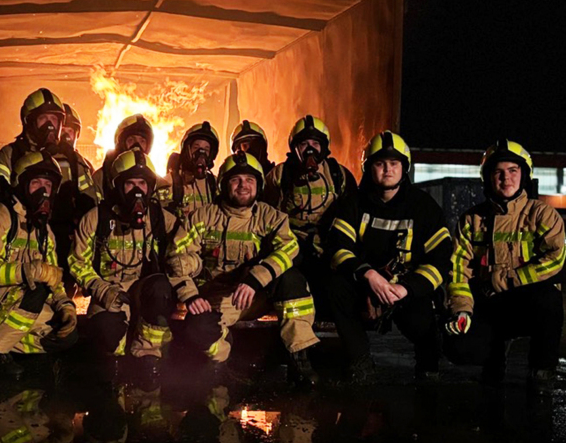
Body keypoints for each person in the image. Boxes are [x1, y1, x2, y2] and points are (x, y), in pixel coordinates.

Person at [167, 151, 319, 386]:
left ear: (258, 185)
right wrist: (190, 295)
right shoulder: (202, 217)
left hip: (261, 295)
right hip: (220, 299)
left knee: (292, 280)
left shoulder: (272, 217)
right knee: (197, 329)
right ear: (223, 184)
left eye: (250, 180)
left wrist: (256, 279)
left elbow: (289, 248)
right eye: (236, 180)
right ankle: (223, 362)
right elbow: (176, 257)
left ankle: (300, 357)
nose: (243, 186)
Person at [444, 140, 566, 392]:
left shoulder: (542, 214)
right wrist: (461, 310)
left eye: (513, 170)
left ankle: (541, 370)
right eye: (498, 172)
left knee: (550, 301)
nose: (506, 178)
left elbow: (558, 259)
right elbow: (458, 270)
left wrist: (507, 280)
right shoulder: (471, 219)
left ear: (524, 175)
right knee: (459, 347)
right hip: (488, 303)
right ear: (488, 177)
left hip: (527, 302)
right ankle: (493, 357)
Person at [325, 131, 451, 383]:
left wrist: (407, 288)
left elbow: (440, 259)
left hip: (405, 288)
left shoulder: (423, 207)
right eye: (380, 163)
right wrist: (368, 274)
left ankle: (428, 366)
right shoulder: (353, 204)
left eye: (394, 163)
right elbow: (338, 248)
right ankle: (359, 360)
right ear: (368, 167)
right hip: (365, 284)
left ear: (404, 167)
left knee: (423, 319)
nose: (387, 170)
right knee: (336, 287)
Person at [69, 150, 179, 379]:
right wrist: (102, 289)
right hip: (109, 293)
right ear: (118, 186)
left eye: (142, 183)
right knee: (106, 334)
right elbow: (77, 262)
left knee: (160, 288)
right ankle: (116, 363)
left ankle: (149, 355)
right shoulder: (96, 218)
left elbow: (186, 246)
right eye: (130, 184)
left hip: (144, 291)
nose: (137, 191)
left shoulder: (159, 217)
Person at [0, 151, 79, 378]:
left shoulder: (44, 231)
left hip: (25, 304)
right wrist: (27, 271)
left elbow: (54, 277)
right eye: (36, 183)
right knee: (37, 289)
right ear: (21, 185)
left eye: (47, 184)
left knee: (68, 337)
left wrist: (66, 306)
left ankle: (12, 347)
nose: (43, 191)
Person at [264, 115, 357, 312]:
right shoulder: (280, 175)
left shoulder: (338, 175)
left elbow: (353, 215)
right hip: (292, 246)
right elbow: (263, 214)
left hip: (327, 246)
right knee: (290, 283)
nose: (310, 149)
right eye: (304, 143)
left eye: (315, 143)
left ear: (325, 147)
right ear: (294, 147)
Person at [0, 88, 66, 208]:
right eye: (43, 118)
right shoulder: (10, 154)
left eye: (54, 119)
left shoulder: (70, 159)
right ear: (29, 121)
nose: (49, 126)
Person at [48, 103, 98, 291]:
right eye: (64, 130)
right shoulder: (43, 158)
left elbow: (91, 200)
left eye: (71, 131)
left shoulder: (82, 164)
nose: (67, 136)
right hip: (52, 227)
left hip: (71, 231)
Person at [159, 121, 220, 219]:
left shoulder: (215, 185)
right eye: (196, 147)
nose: (201, 153)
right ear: (187, 151)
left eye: (206, 149)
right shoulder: (170, 183)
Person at [92, 113, 155, 204]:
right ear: (120, 143)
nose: (136, 146)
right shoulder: (101, 178)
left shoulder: (153, 177)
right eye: (131, 140)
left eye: (142, 141)